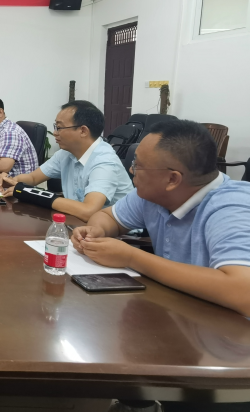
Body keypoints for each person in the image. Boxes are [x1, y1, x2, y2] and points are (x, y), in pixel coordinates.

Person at [72, 120, 250, 317]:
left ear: (172, 179)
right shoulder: (153, 194)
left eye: (137, 165)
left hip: (228, 328)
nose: (131, 170)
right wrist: (98, 230)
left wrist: (131, 257)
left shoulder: (233, 207)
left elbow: (243, 292)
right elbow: (108, 216)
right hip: (174, 312)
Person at [0, 100, 133, 222]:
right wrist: (12, 180)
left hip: (118, 235)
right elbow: (33, 178)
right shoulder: (65, 153)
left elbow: (88, 211)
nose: (55, 133)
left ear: (83, 131)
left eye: (59, 127)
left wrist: (32, 194)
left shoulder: (105, 162)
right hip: (76, 223)